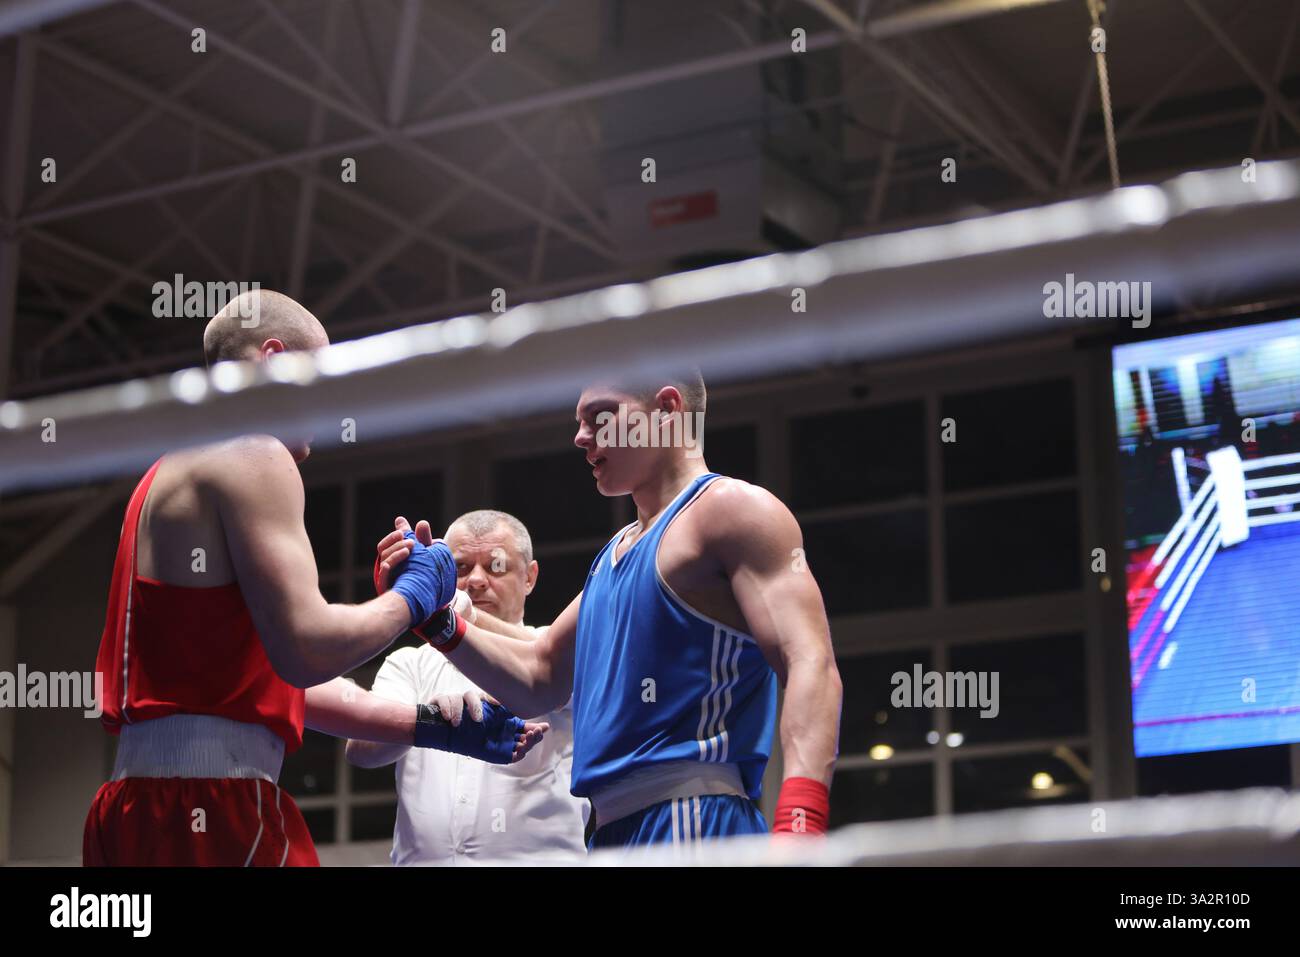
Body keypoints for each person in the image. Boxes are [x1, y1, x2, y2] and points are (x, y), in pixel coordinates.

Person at [83, 290, 540, 867]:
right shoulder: (253, 451)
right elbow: (307, 649)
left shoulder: (163, 476)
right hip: (214, 806)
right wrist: (412, 599)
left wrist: (430, 727)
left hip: (130, 812)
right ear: (275, 362)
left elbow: (278, 680)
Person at [377, 370, 842, 850]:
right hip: (608, 833)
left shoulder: (731, 510)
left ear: (667, 409)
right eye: (579, 422)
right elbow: (540, 676)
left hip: (691, 819)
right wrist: (435, 620)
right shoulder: (612, 556)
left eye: (601, 417)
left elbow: (810, 661)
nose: (580, 437)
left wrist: (801, 823)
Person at [352, 510, 588, 865]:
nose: (476, 581)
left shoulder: (558, 654)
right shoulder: (410, 664)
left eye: (495, 566)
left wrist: (461, 619)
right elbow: (362, 750)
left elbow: (541, 663)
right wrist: (431, 723)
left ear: (529, 577)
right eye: (460, 568)